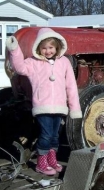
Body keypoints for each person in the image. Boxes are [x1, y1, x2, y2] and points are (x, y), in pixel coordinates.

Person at [6, 28, 82, 176]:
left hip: (59, 107)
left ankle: (51, 159)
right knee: (46, 135)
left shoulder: (64, 62)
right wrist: (14, 49)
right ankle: (41, 162)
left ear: (57, 47)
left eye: (51, 47)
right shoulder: (34, 62)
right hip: (42, 106)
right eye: (44, 48)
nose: (48, 51)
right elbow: (19, 68)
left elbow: (71, 86)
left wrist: (74, 108)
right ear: (39, 48)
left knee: (54, 136)